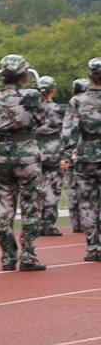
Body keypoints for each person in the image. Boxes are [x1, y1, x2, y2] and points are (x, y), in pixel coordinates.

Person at [0, 55, 49, 271]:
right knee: (31, 206)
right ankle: (29, 256)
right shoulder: (33, 96)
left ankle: (7, 256)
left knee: (5, 207)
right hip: (27, 153)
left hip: (3, 154)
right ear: (23, 74)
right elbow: (43, 121)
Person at [61, 59, 101, 262]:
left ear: (89, 75)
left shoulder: (78, 101)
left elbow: (69, 131)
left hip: (87, 155)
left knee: (88, 203)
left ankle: (93, 247)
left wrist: (66, 155)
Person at [36, 76, 65, 237]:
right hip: (54, 150)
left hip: (35, 150)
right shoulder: (59, 110)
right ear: (52, 89)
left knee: (36, 189)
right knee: (52, 189)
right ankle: (49, 223)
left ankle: (36, 222)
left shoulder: (32, 108)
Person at [66, 78, 90, 233]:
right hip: (89, 152)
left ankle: (77, 223)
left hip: (79, 152)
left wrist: (68, 154)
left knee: (74, 190)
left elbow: (69, 131)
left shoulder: (74, 104)